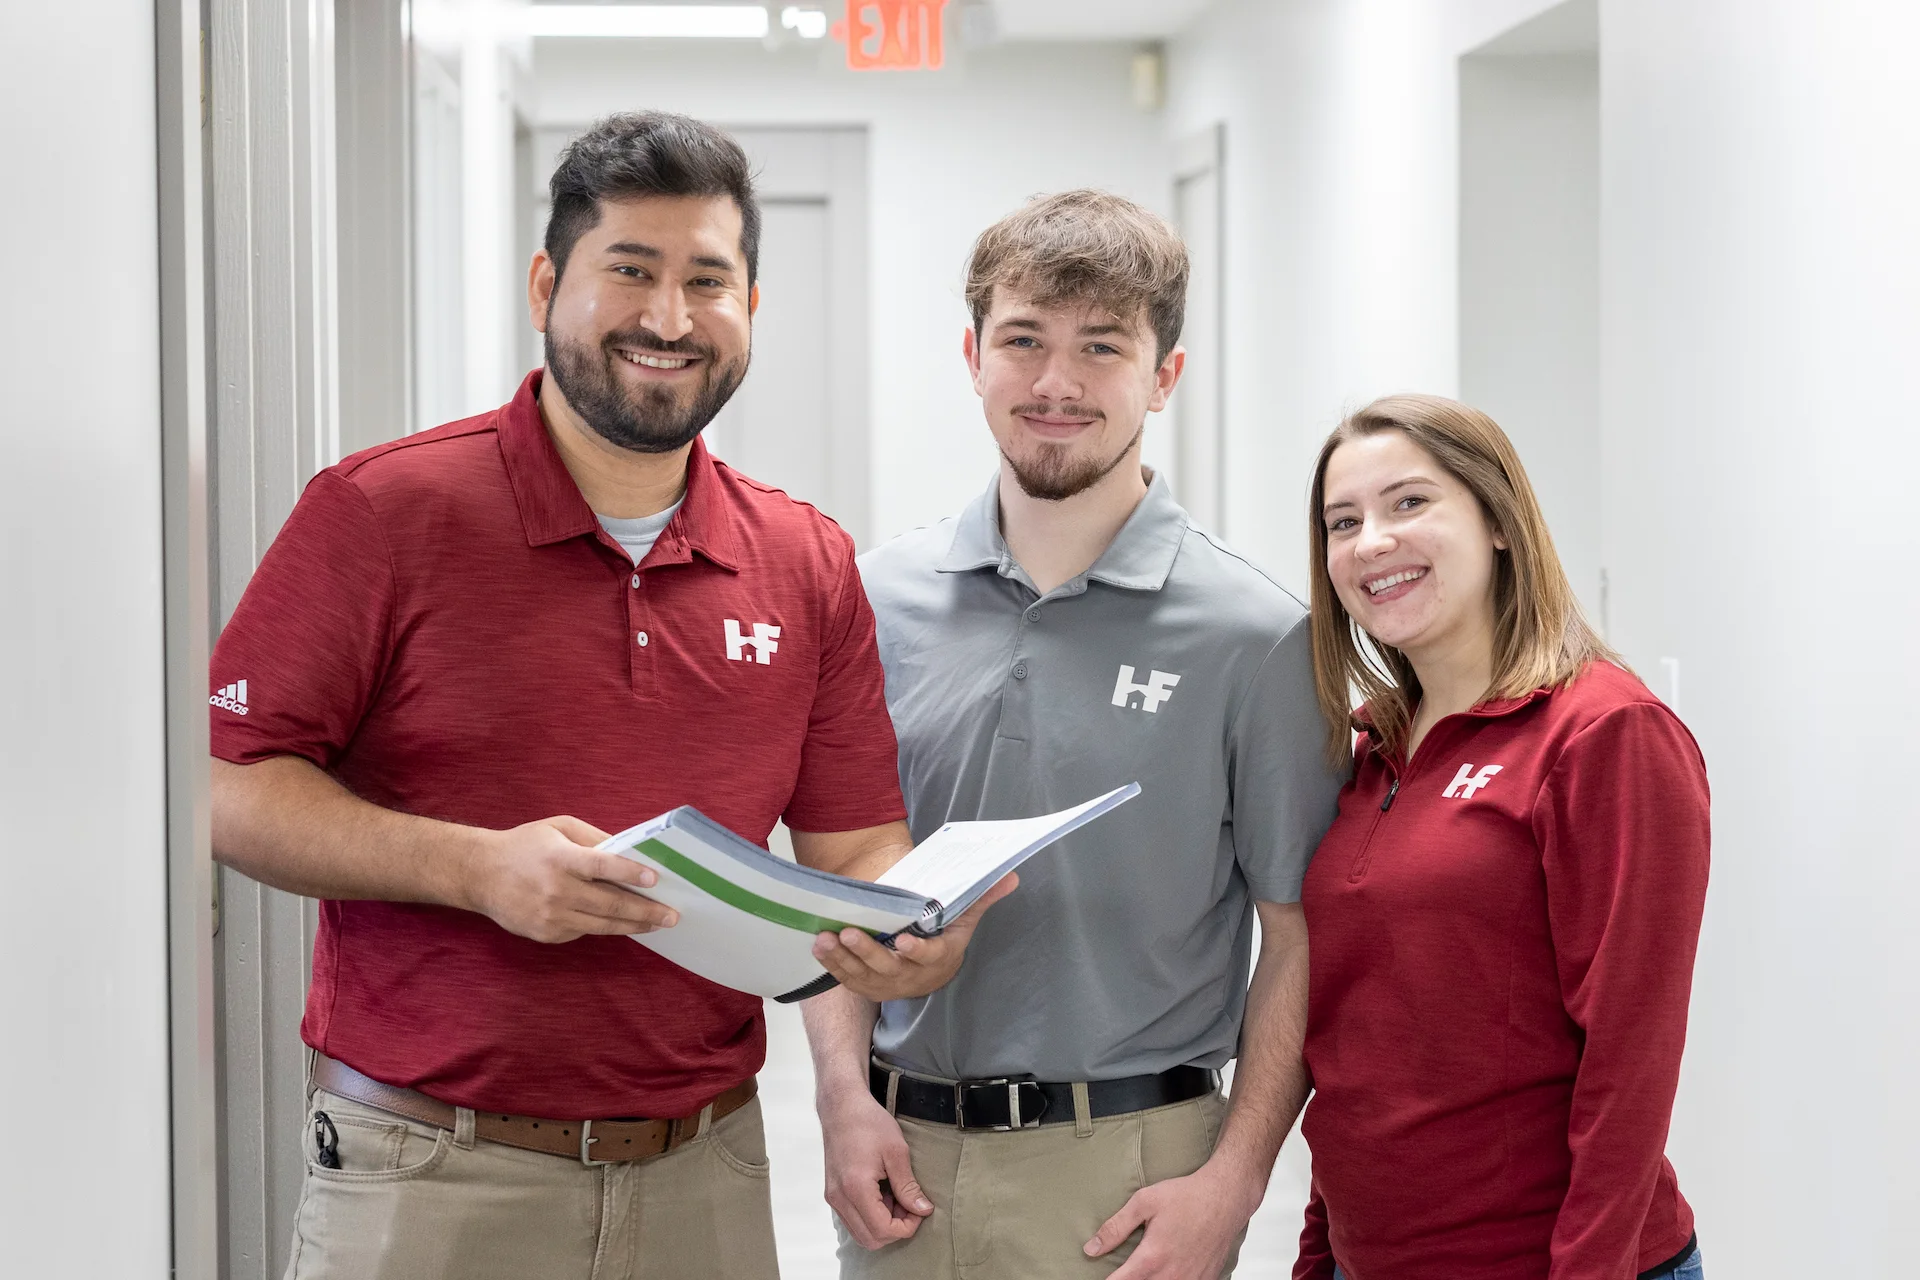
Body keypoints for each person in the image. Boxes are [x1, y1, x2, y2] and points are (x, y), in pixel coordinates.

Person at [209, 112, 1003, 1280]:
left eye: (707, 281)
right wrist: (474, 867)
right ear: (548, 281)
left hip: (707, 1169)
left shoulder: (804, 558)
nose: (669, 319)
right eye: (630, 269)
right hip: (430, 1172)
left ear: (751, 309)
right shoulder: (385, 512)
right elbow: (223, 791)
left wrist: (913, 930)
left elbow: (856, 842)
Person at [803, 189, 1345, 1280]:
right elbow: (839, 879)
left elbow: (1297, 937)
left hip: (1132, 1178)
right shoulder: (870, 600)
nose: (1057, 382)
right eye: (1024, 340)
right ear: (972, 355)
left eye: (1102, 346)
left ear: (1164, 375)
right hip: (903, 1167)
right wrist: (839, 1100)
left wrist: (1233, 1181)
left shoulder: (1257, 634)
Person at [1292, 394, 1709, 1280]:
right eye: (1343, 521)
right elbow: (1364, 1040)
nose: (1371, 542)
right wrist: (1319, 1252)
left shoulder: (1603, 733)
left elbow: (1630, 1060)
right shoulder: (1371, 749)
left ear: (1499, 524)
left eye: (1410, 503)